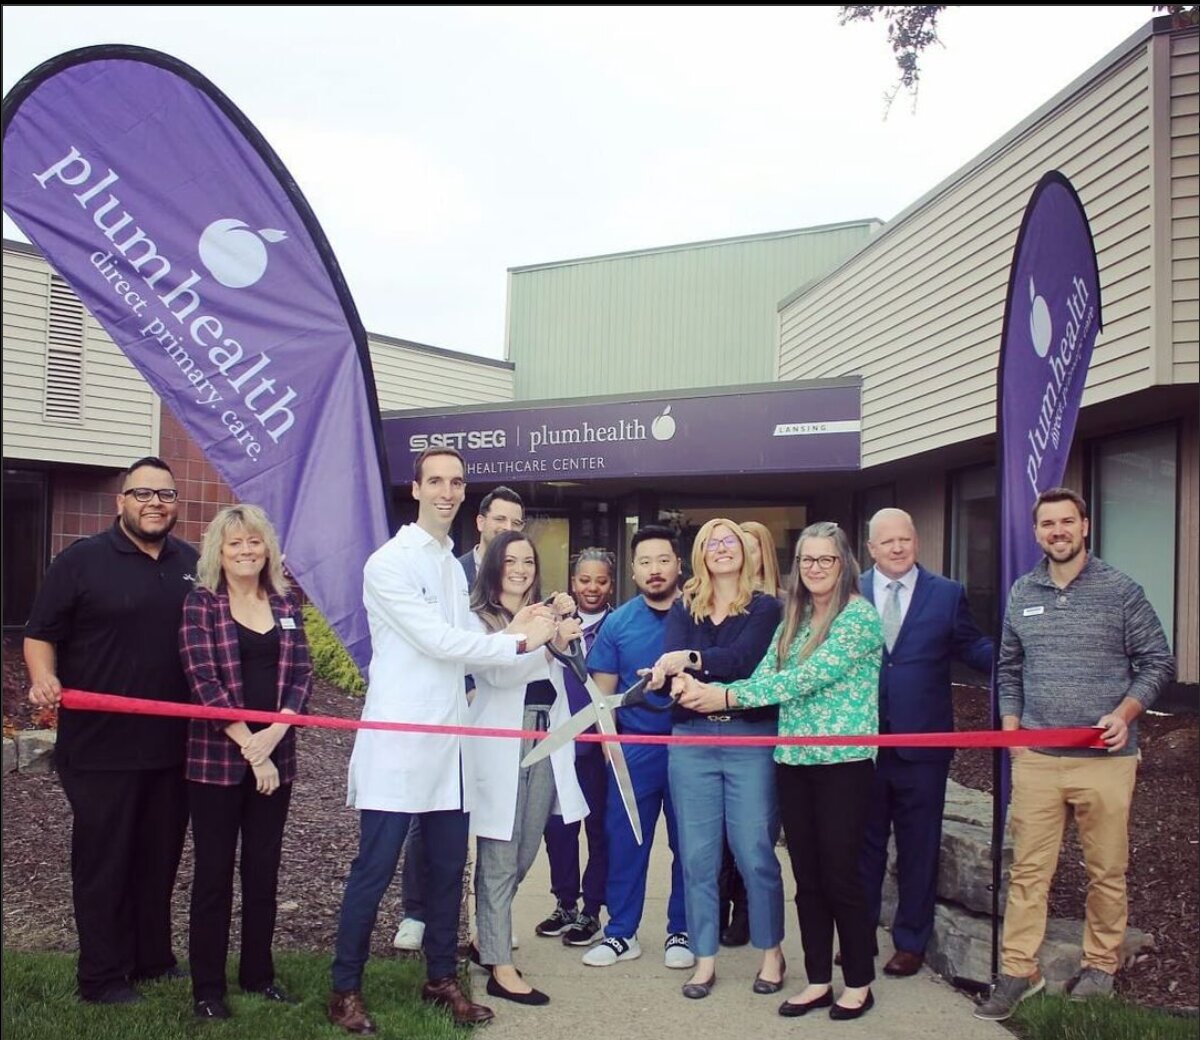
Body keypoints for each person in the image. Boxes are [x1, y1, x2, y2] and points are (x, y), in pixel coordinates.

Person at [328, 447, 558, 1035]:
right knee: (373, 870)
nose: (447, 492)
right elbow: (439, 643)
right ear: (416, 489)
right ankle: (345, 989)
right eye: (436, 481)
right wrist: (519, 641)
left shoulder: (453, 569)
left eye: (456, 482)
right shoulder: (389, 563)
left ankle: (441, 978)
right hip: (401, 740)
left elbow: (465, 638)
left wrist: (527, 629)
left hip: (452, 746)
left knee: (449, 869)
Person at [974, 487, 1173, 1021]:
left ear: (1084, 526)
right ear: (1037, 532)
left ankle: (1100, 965)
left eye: (1067, 521)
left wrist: (1125, 714)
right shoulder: (1023, 591)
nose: (1057, 531)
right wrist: (1012, 727)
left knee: (1106, 868)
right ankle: (1020, 970)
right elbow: (1009, 668)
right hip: (1037, 755)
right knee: (1028, 872)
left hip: (1104, 758)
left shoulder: (1120, 590)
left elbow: (1157, 661)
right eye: (1047, 524)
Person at [677, 521, 883, 1021]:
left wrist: (725, 696)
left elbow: (804, 678)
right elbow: (767, 669)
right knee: (808, 879)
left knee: (841, 876)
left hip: (843, 764)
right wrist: (718, 690)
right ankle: (816, 980)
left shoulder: (858, 617)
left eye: (825, 560)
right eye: (807, 560)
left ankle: (857, 981)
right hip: (793, 759)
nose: (815, 568)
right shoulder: (795, 616)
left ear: (844, 563)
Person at [24, 457, 196, 1005]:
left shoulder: (193, 563)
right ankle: (100, 976)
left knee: (158, 857)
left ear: (176, 503)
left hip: (174, 747)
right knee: (105, 863)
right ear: (120, 501)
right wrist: (44, 678)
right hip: (100, 747)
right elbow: (40, 633)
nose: (154, 503)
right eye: (142, 493)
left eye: (165, 494)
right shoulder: (81, 561)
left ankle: (151, 959)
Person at [178, 504, 312, 1020]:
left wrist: (274, 735)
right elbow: (203, 682)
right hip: (215, 763)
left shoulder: (286, 601)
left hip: (276, 757)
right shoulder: (201, 606)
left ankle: (259, 975)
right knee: (213, 876)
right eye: (235, 543)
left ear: (267, 549)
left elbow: (301, 675)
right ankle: (207, 989)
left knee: (263, 872)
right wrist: (251, 748)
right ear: (219, 551)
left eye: (254, 542)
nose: (246, 551)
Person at [648, 519, 784, 999]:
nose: (722, 549)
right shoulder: (686, 607)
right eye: (712, 542)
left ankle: (772, 953)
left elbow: (745, 659)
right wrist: (684, 677)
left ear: (746, 552)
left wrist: (694, 666)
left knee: (754, 852)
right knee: (699, 856)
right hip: (692, 742)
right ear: (701, 554)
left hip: (750, 739)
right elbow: (668, 662)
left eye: (730, 541)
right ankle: (704, 961)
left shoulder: (768, 608)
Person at [858, 508, 993, 977]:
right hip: (862, 743)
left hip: (924, 748)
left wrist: (1015, 655)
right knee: (863, 846)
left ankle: (910, 941)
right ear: (870, 548)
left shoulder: (946, 594)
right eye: (887, 541)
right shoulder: (848, 592)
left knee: (919, 846)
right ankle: (858, 938)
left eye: (905, 539)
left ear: (916, 542)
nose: (897, 548)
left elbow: (973, 647)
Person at [396, 491, 525, 953]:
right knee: (429, 813)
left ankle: (484, 922)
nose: (507, 526)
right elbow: (438, 638)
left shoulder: (520, 573)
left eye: (517, 520)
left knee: (484, 823)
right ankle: (416, 911)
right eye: (500, 518)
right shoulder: (452, 566)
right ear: (482, 521)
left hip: (492, 711)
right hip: (447, 706)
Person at [465, 531, 588, 1005]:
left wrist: (563, 633)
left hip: (547, 738)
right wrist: (526, 634)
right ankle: (501, 966)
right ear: (494, 565)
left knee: (523, 854)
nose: (519, 569)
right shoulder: (477, 620)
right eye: (510, 560)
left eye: (528, 561)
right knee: (498, 852)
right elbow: (495, 673)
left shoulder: (545, 615)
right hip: (503, 740)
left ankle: (483, 938)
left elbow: (574, 669)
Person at [581, 525, 693, 970]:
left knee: (690, 845)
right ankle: (621, 933)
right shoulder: (619, 622)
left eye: (663, 560)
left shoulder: (700, 614)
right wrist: (611, 741)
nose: (654, 570)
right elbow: (603, 694)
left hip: (690, 746)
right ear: (633, 570)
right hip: (635, 749)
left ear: (678, 565)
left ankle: (682, 931)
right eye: (644, 562)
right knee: (626, 842)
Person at [534, 547, 615, 947]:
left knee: (598, 830)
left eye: (600, 580)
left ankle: (591, 910)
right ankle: (565, 903)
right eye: (585, 580)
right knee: (558, 829)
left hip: (597, 748)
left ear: (610, 584)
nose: (592, 588)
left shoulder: (618, 625)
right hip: (559, 742)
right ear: (573, 582)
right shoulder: (556, 623)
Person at [716, 518, 781, 946]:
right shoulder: (713, 602)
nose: (743, 553)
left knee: (753, 835)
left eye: (751, 547)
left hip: (758, 728)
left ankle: (749, 913)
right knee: (717, 836)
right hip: (712, 730)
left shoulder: (777, 607)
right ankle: (720, 907)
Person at [459, 486, 525, 588]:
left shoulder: (525, 574)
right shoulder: (455, 569)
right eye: (500, 519)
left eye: (515, 523)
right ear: (481, 522)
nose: (508, 528)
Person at [742, 520, 782, 598]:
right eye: (740, 551)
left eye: (750, 551)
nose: (745, 558)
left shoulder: (785, 601)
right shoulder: (723, 599)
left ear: (765, 555)